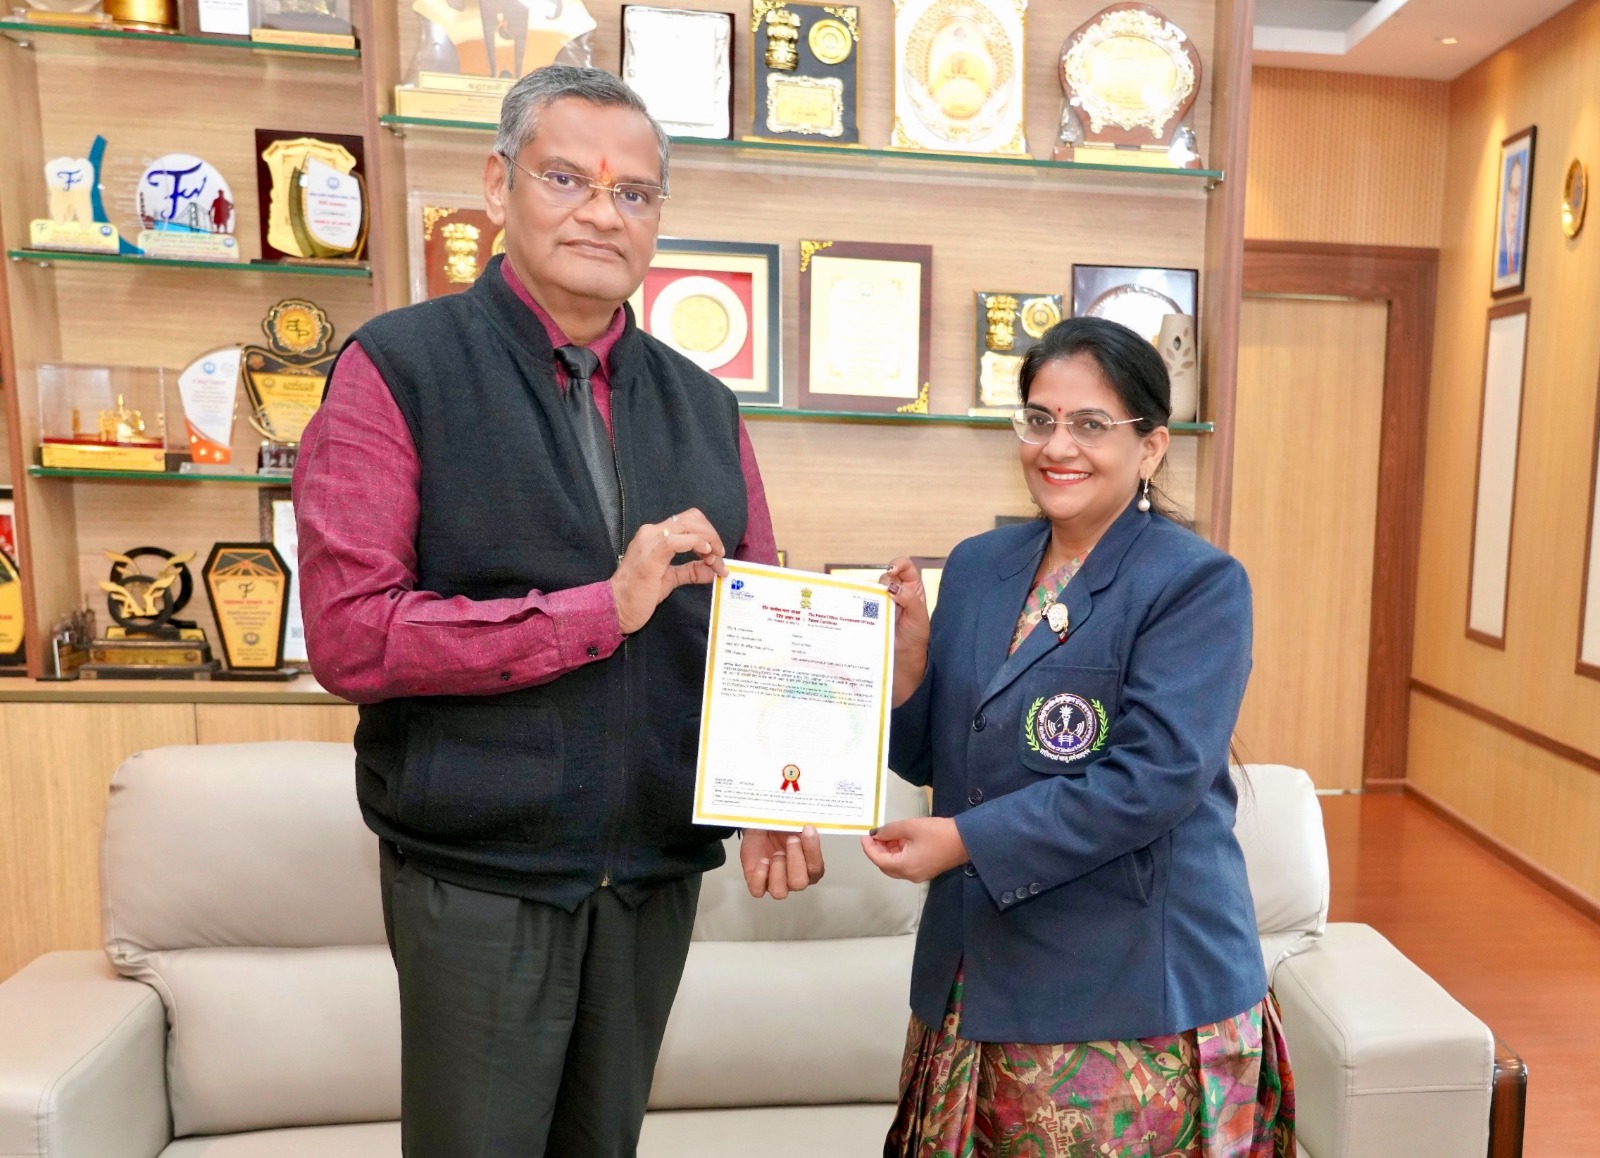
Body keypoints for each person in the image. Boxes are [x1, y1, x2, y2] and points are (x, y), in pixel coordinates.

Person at [293, 65, 822, 1158]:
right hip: (480, 877)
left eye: (634, 193)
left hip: (652, 878)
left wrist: (778, 789)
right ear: (498, 186)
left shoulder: (704, 402)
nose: (602, 213)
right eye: (566, 178)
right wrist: (601, 609)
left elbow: (757, 621)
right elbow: (353, 634)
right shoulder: (398, 367)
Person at [862, 317, 1295, 1156]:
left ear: (1151, 447)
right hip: (976, 969)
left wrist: (964, 841)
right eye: (1039, 419)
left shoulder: (1197, 583)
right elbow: (937, 761)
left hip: (1126, 999)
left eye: (1091, 424)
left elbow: (1153, 781)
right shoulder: (980, 565)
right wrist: (910, 663)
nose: (1057, 446)